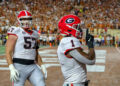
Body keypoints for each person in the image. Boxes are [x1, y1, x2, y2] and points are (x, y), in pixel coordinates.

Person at [6, 10, 47, 86]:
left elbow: (36, 53)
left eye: (28, 19)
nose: (26, 21)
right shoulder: (16, 31)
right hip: (19, 66)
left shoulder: (35, 34)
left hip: (32, 66)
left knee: (41, 84)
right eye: (24, 19)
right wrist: (12, 68)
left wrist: (42, 65)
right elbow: (8, 52)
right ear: (19, 20)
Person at [57, 15, 96, 86]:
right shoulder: (69, 41)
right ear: (69, 28)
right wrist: (90, 46)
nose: (80, 29)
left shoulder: (67, 41)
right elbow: (90, 60)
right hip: (74, 83)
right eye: (77, 27)